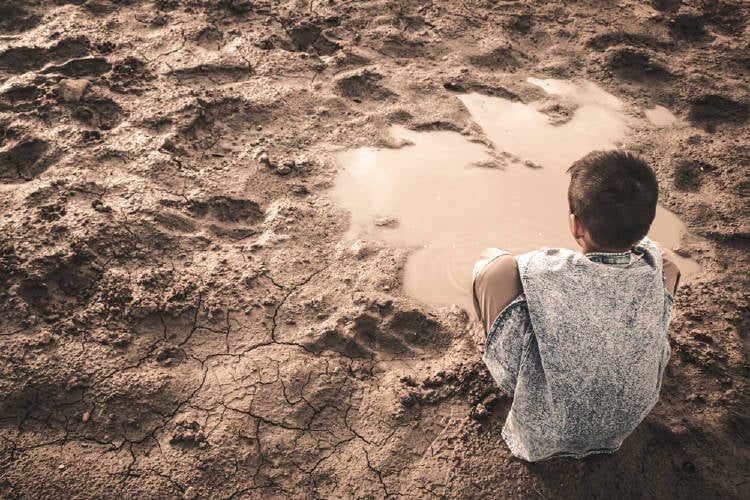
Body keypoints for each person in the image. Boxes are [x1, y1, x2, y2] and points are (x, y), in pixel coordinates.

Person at [472, 150, 681, 462]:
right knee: (668, 261)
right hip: (621, 423)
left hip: (545, 429)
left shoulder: (546, 266)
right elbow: (655, 254)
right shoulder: (653, 262)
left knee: (494, 265)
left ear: (575, 225)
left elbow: (520, 269)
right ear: (647, 224)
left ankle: (497, 354)